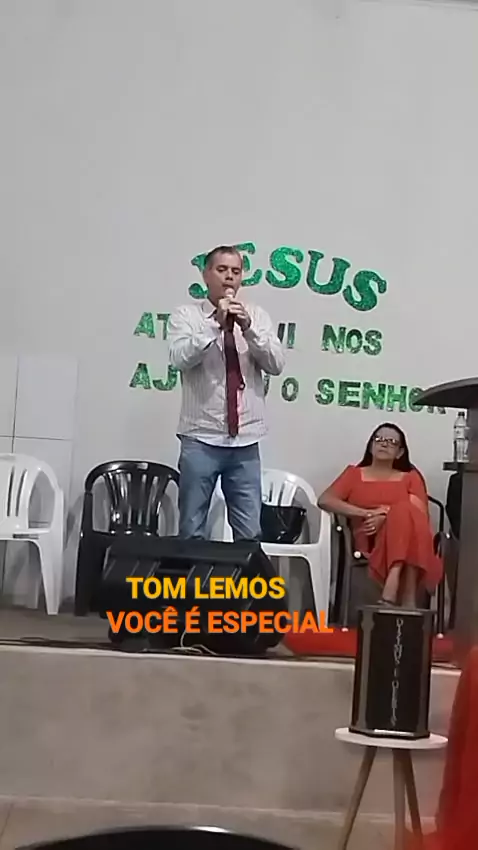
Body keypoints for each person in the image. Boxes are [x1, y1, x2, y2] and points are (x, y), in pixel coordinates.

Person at [168, 244, 285, 541]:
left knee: (249, 532)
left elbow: (276, 364)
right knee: (191, 529)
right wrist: (214, 326)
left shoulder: (256, 315)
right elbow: (180, 359)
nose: (229, 277)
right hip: (200, 438)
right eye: (222, 270)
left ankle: (240, 576)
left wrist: (249, 329)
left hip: (246, 441)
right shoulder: (187, 315)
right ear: (206, 275)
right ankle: (192, 574)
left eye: (236, 271)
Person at [317, 422, 442, 608]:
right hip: (368, 538)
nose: (384, 443)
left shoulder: (411, 478)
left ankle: (393, 578)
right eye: (379, 439)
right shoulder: (353, 474)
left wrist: (386, 516)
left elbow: (420, 513)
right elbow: (325, 500)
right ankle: (408, 598)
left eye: (391, 442)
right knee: (404, 510)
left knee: (405, 512)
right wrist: (367, 513)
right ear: (370, 446)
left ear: (400, 452)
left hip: (407, 537)